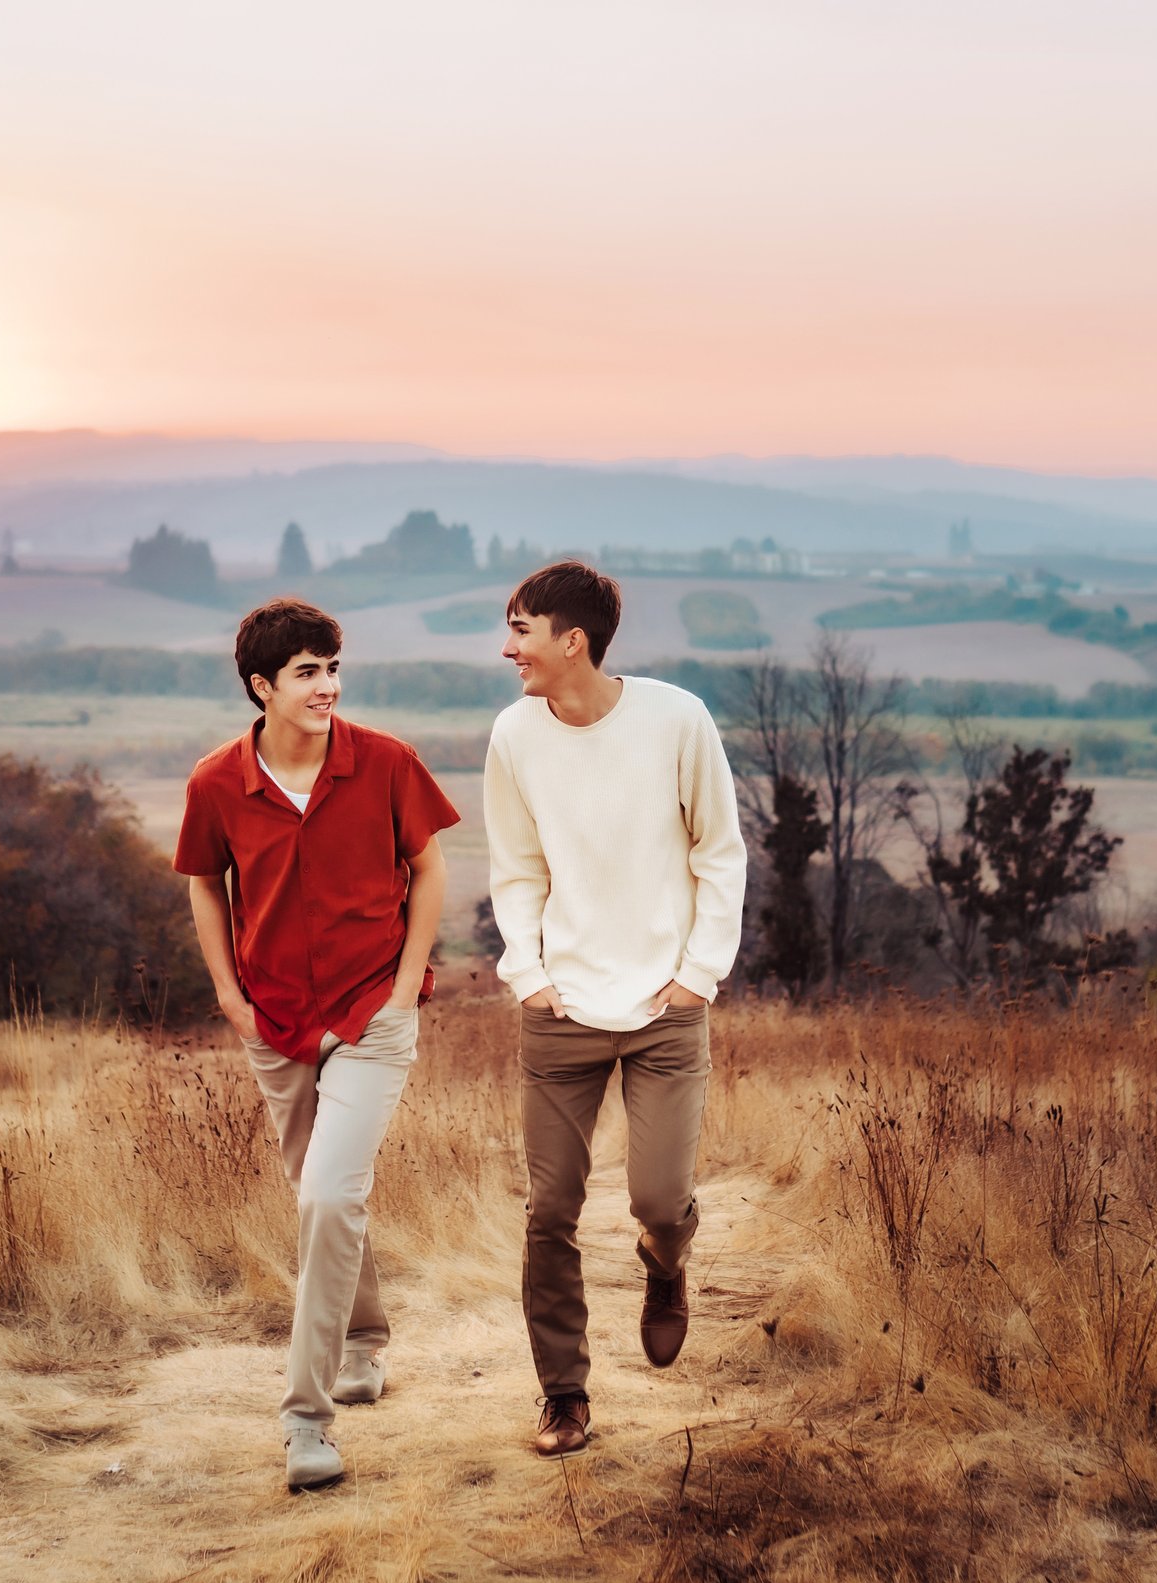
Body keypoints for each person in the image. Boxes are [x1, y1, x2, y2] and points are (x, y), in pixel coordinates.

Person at [175, 598, 459, 1493]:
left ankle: (306, 1422)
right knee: (319, 1198)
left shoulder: (384, 762)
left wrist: (410, 979)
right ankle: (365, 1341)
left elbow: (430, 866)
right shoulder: (217, 781)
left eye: (333, 667)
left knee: (330, 1197)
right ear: (262, 687)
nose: (327, 686)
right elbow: (204, 886)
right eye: (306, 671)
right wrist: (229, 995)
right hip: (275, 1021)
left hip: (374, 1011)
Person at [484, 561, 746, 1458]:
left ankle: (665, 1264)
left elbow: (721, 852)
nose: (508, 646)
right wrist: (531, 977)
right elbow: (515, 868)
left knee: (660, 1197)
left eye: (521, 629)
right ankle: (564, 1395)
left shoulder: (678, 720)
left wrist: (697, 976)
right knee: (549, 1209)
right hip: (561, 1011)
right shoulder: (514, 735)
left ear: (573, 642)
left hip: (667, 1007)